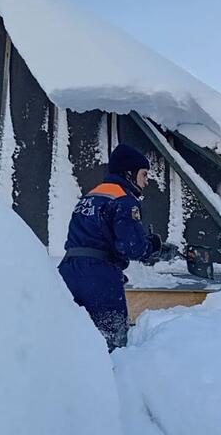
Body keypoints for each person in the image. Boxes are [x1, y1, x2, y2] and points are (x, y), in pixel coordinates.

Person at [58, 144, 178, 351]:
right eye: (144, 174)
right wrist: (156, 248)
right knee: (111, 340)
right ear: (129, 173)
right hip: (99, 277)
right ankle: (108, 380)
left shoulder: (91, 196)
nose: (146, 180)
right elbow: (132, 247)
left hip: (68, 272)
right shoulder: (124, 200)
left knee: (70, 339)